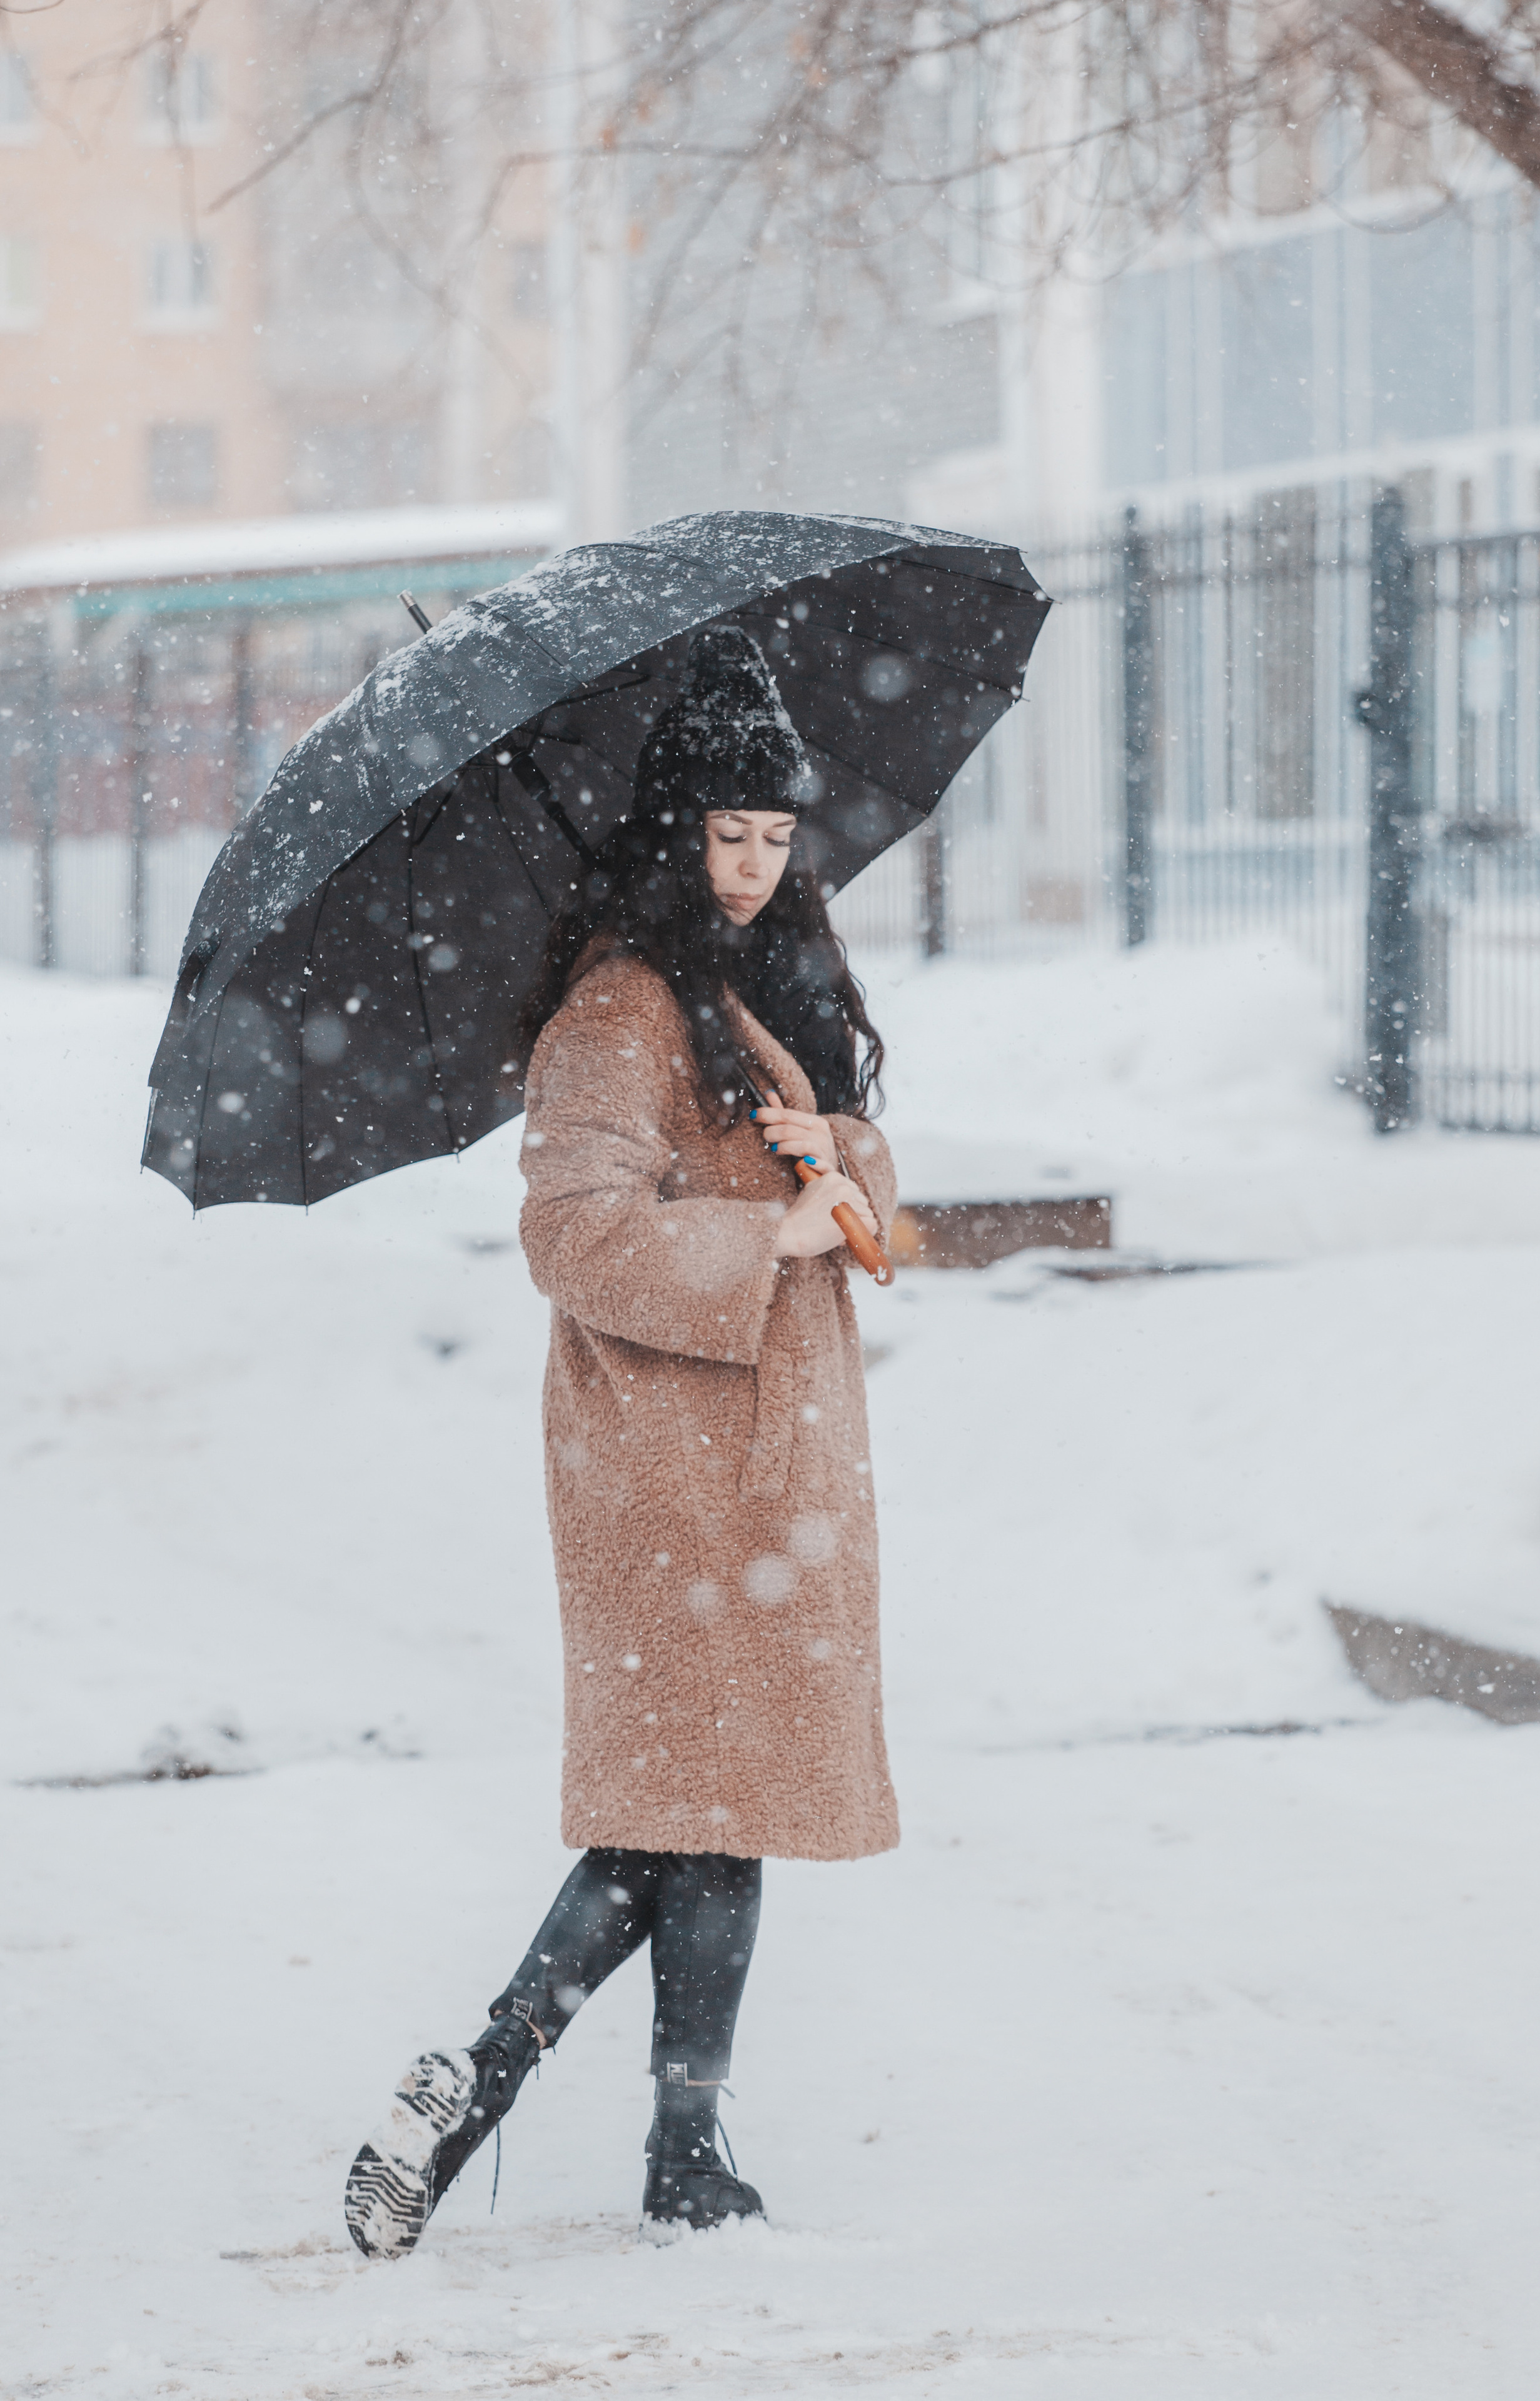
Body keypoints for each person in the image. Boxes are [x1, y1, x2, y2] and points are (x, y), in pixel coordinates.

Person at [345, 625, 899, 2256]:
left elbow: (867, 1200)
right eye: (727, 833)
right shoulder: (617, 1010)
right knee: (689, 1806)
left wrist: (830, 1149)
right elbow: (574, 1234)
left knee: (712, 1807)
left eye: (776, 835)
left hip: (767, 1464)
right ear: (675, 833)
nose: (754, 865)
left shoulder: (762, 987)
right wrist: (765, 1237)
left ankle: (657, 2135)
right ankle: (531, 2085)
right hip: (668, 1465)